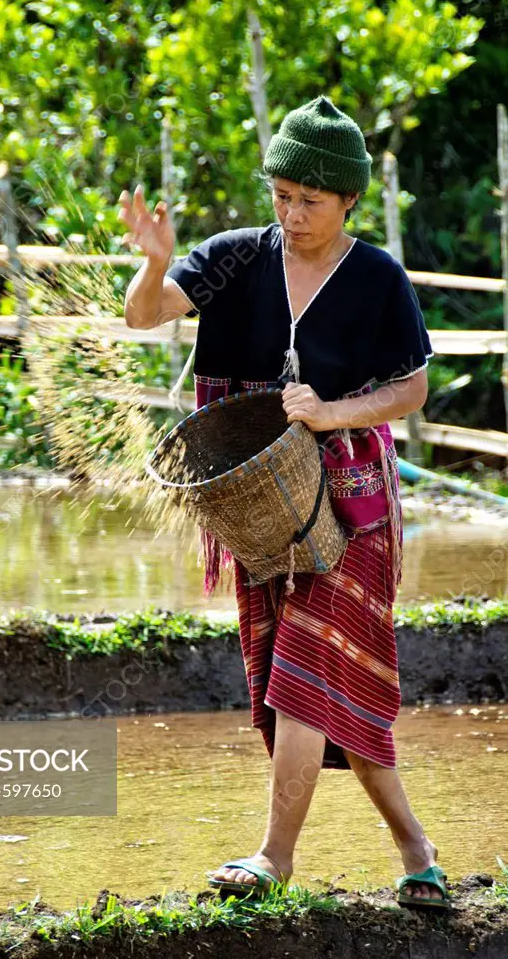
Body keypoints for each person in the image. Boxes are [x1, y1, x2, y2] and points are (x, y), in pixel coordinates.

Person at [118, 95, 449, 910]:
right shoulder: (233, 258)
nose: (293, 214)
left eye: (311, 200)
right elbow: (142, 316)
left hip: (349, 500)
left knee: (306, 667)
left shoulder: (375, 278)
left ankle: (273, 857)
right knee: (323, 680)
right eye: (281, 196)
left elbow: (411, 385)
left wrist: (329, 412)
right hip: (258, 500)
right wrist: (156, 261)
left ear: (347, 203)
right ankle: (417, 849)